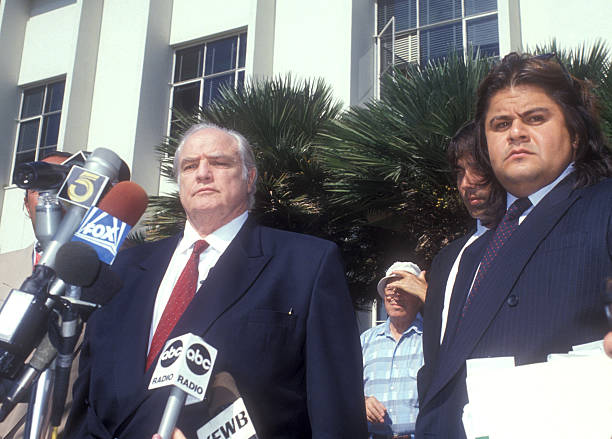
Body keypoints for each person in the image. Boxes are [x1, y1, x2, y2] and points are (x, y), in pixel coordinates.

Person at [65, 123, 367, 439]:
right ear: (179, 181)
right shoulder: (123, 267)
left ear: (250, 178)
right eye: (190, 166)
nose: (203, 173)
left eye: (220, 163)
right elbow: (87, 400)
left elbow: (335, 412)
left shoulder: (306, 263)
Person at [416, 52, 612, 439]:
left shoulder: (603, 205)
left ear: (574, 133)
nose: (516, 133)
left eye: (535, 118)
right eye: (500, 123)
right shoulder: (472, 253)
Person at [0, 151, 73, 439]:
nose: (48, 193)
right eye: (38, 183)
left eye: (59, 181)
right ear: (25, 203)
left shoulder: (110, 273)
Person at [361, 262, 425, 438]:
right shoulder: (365, 341)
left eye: (403, 288)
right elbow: (344, 390)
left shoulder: (432, 338)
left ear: (419, 298)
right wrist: (362, 402)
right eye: (390, 289)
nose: (395, 294)